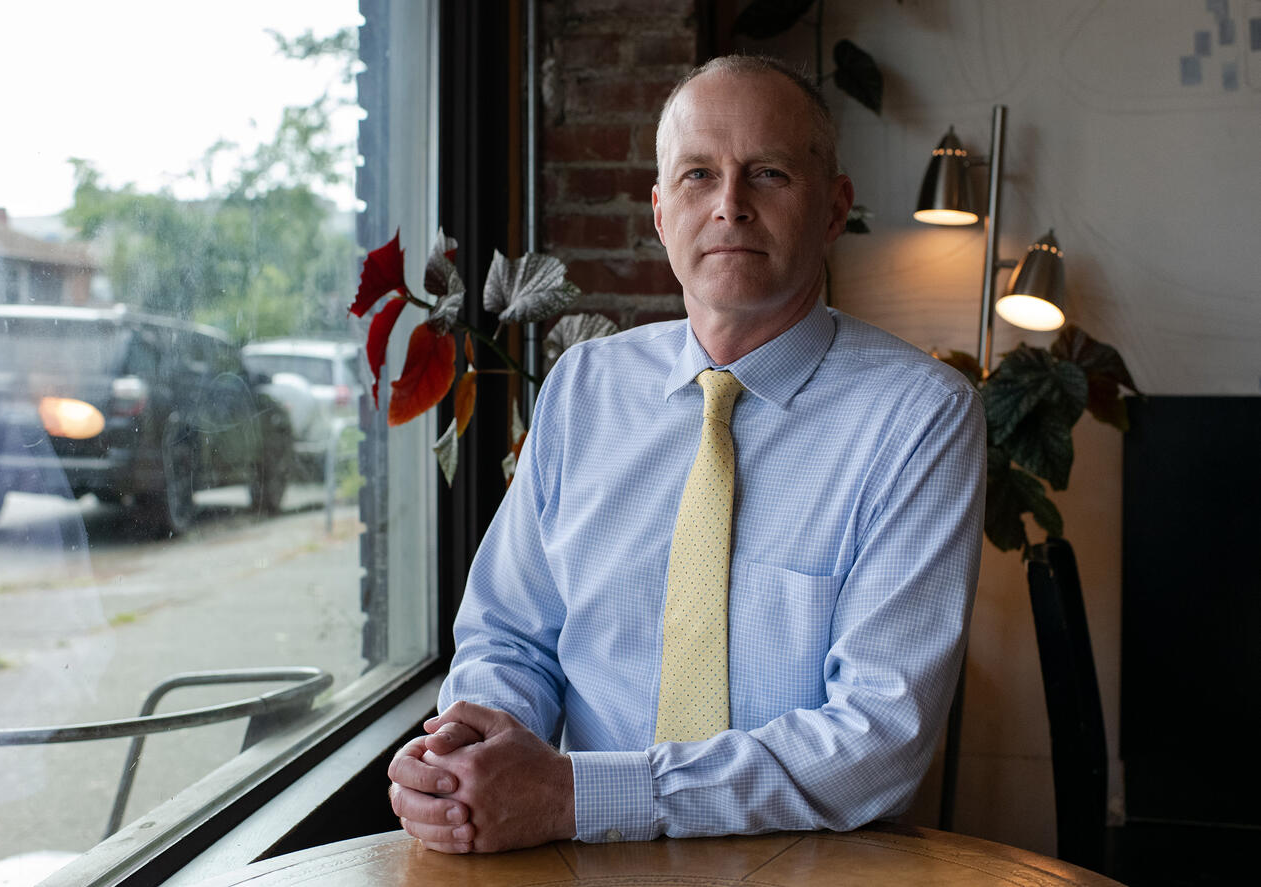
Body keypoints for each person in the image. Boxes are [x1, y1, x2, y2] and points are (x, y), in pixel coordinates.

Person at [387, 55, 985, 854]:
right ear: (663, 214)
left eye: (768, 173)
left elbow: (878, 738)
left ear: (835, 208)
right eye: (699, 175)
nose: (730, 206)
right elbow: (509, 636)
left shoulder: (920, 417)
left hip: (802, 865)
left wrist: (577, 794)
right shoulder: (583, 387)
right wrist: (469, 757)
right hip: (568, 856)